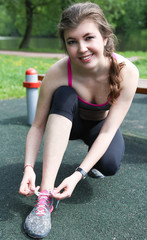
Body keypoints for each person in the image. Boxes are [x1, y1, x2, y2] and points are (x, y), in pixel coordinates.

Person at [19, 2, 139, 239]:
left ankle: (92, 164)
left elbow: (108, 131)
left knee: (110, 165)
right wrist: (29, 167)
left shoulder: (127, 71)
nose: (81, 48)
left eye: (88, 38)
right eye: (72, 41)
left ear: (105, 37)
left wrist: (78, 174)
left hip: (98, 128)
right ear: (65, 45)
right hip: (68, 122)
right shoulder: (58, 72)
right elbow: (38, 125)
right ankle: (45, 197)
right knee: (65, 94)